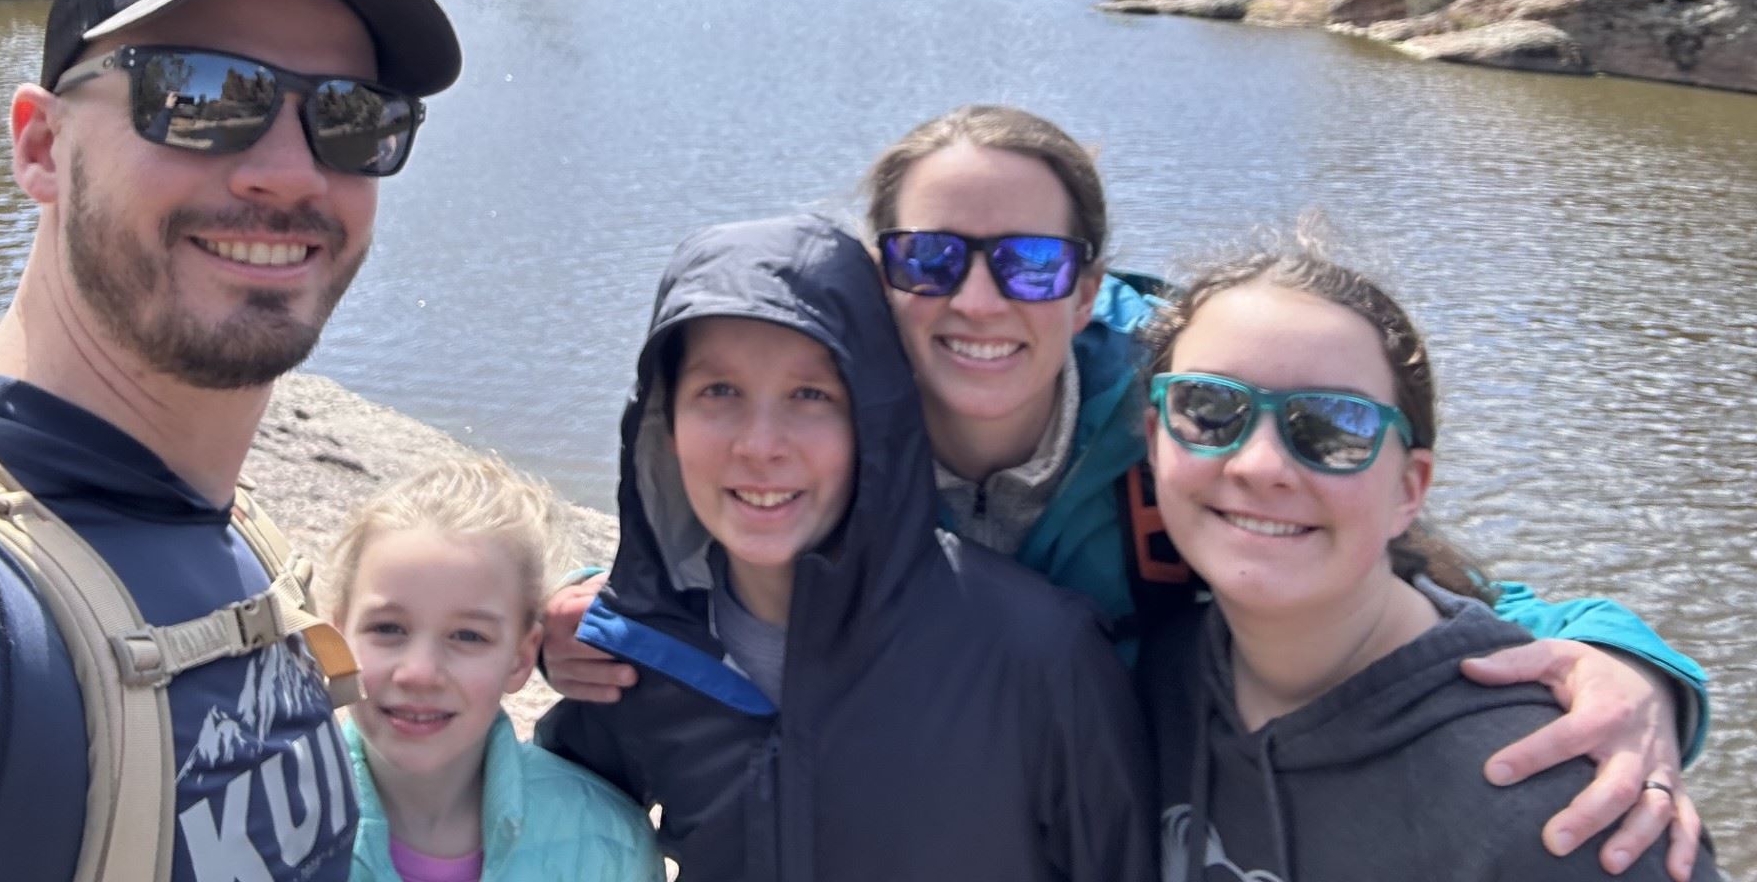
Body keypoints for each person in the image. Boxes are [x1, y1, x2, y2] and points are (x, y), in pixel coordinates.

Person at [546, 103, 1711, 876]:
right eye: (932, 258)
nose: (980, 301)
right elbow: (739, 519)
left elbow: (1413, 565)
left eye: (1032, 262)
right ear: (879, 280)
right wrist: (611, 602)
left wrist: (1631, 664)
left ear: (1085, 279)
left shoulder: (1179, 419)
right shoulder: (846, 426)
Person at [0, 0, 463, 882]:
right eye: (203, 94)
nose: (292, 173)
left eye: (350, 118)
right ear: (41, 146)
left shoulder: (229, 537)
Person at [536, 214, 1154, 880]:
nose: (760, 444)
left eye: (810, 394)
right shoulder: (641, 660)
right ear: (664, 424)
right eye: (719, 391)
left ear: (876, 419)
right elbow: (535, 830)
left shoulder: (1041, 657)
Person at [1136, 233, 1720, 880]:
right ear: (1155, 439)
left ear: (1409, 489)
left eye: (1333, 428)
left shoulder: (1566, 798)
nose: (1261, 464)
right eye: (1210, 410)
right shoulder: (1162, 678)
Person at [328, 455, 662, 882]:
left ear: (522, 658)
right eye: (388, 628)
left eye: (468, 636)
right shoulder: (265, 820)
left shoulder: (611, 844)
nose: (419, 673)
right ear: (338, 640)